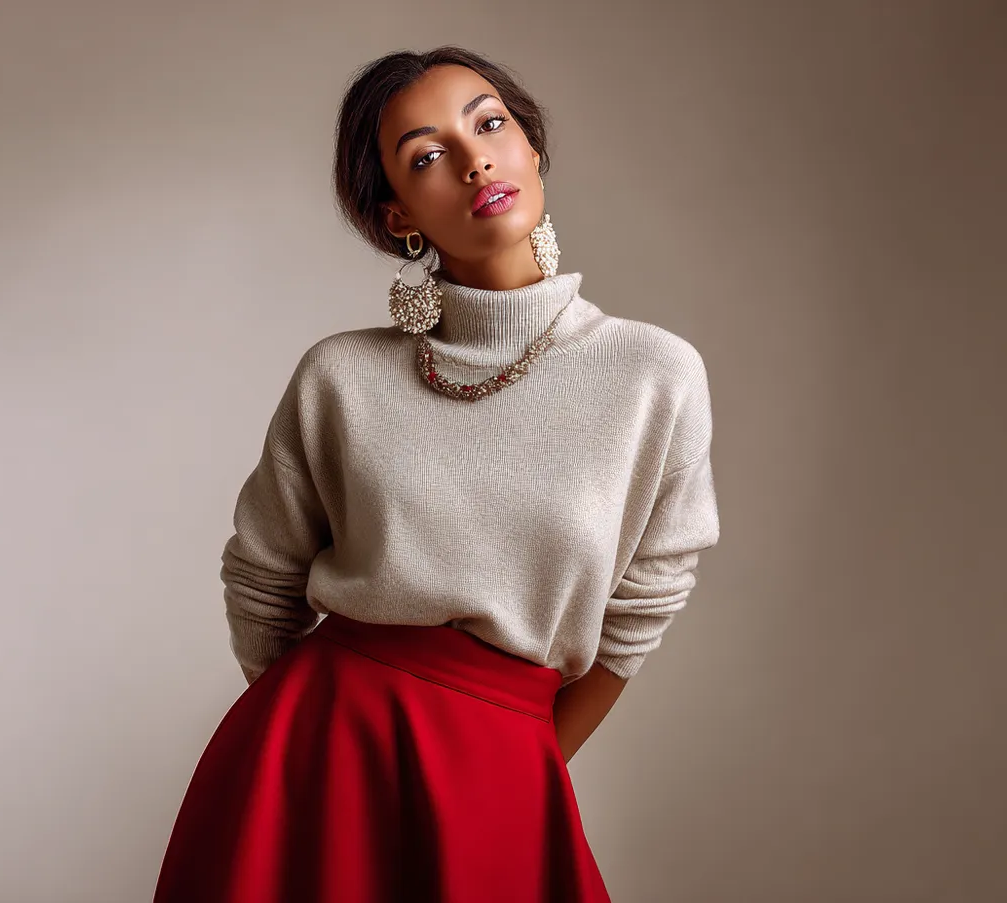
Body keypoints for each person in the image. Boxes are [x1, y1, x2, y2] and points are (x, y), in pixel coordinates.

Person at [153, 45, 721, 903]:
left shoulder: (654, 375)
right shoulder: (340, 376)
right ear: (397, 215)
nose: (474, 161)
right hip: (318, 763)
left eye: (490, 125)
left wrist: (520, 758)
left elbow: (642, 607)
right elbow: (261, 582)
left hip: (505, 753)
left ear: (532, 148)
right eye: (426, 156)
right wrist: (312, 762)